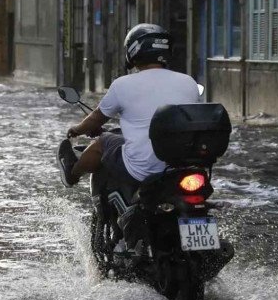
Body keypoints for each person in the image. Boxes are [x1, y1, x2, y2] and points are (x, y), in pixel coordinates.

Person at [57, 23, 201, 188]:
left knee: (103, 141)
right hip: (180, 167)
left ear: (133, 51)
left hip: (140, 171)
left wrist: (76, 130)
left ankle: (72, 175)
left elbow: (97, 118)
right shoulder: (189, 82)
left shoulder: (123, 84)